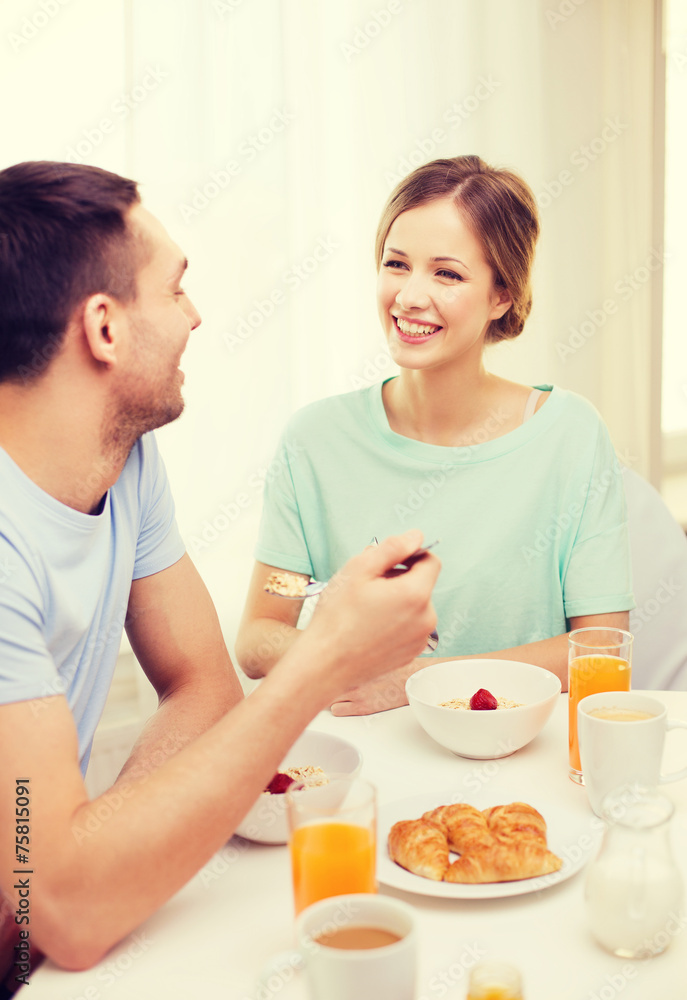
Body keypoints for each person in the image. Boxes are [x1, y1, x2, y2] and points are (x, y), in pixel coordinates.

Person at [0, 161, 440, 981]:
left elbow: (203, 683)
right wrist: (324, 657)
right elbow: (61, 910)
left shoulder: (123, 453)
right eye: (174, 291)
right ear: (104, 328)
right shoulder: (311, 440)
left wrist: (100, 846)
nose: (196, 318)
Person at [236, 155, 633, 715]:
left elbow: (598, 650)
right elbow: (260, 632)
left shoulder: (569, 435)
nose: (409, 297)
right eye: (396, 264)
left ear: (502, 295)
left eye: (446, 273)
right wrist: (345, 661)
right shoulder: (315, 441)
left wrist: (414, 681)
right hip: (364, 755)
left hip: (516, 759)